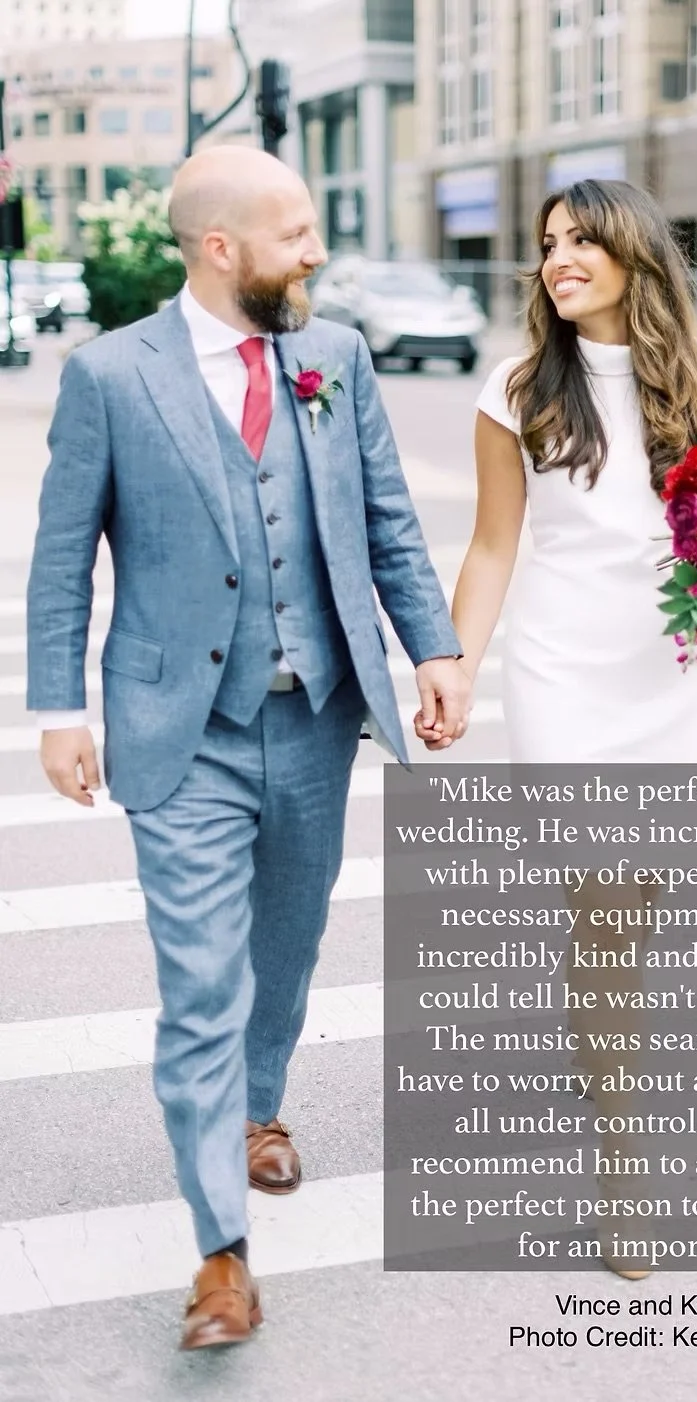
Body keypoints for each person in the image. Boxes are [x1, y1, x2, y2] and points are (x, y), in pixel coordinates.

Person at [26, 145, 472, 1349]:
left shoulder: (334, 359)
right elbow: (64, 556)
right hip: (181, 730)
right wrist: (56, 710)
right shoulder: (111, 377)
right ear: (221, 249)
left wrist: (431, 649)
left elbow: (385, 517)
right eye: (295, 234)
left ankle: (258, 1108)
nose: (316, 252)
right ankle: (220, 1251)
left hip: (318, 712)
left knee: (287, 943)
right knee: (202, 982)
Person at [417, 178, 697, 1280]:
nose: (556, 258)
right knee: (605, 917)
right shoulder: (515, 386)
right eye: (546, 244)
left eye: (579, 241)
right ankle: (625, 1173)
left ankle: (601, 1052)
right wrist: (455, 669)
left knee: (629, 917)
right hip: (565, 676)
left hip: (676, 675)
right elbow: (493, 549)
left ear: (633, 253)